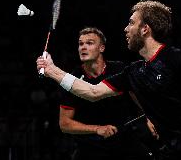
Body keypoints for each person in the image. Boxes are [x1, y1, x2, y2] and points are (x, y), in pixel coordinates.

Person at [36, 0, 181, 160]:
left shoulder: (175, 57)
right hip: (173, 149)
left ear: (145, 29)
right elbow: (92, 92)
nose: (125, 29)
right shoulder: (133, 72)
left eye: (131, 23)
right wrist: (53, 71)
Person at [56, 27, 158, 160]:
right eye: (81, 44)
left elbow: (138, 97)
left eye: (90, 43)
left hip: (125, 140)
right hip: (91, 146)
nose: (83, 47)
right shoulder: (71, 80)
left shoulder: (119, 69)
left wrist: (150, 118)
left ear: (102, 48)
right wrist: (97, 129)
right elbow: (65, 124)